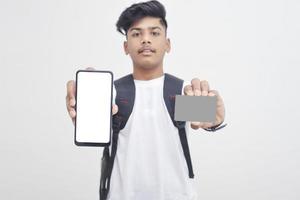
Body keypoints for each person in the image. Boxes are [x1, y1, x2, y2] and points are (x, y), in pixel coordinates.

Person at [65, 1, 226, 199]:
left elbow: (209, 119)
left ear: (168, 44)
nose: (145, 40)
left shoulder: (182, 92)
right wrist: (84, 100)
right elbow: (89, 124)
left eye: (155, 33)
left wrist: (216, 117)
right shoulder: (112, 93)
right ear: (126, 46)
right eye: (136, 33)